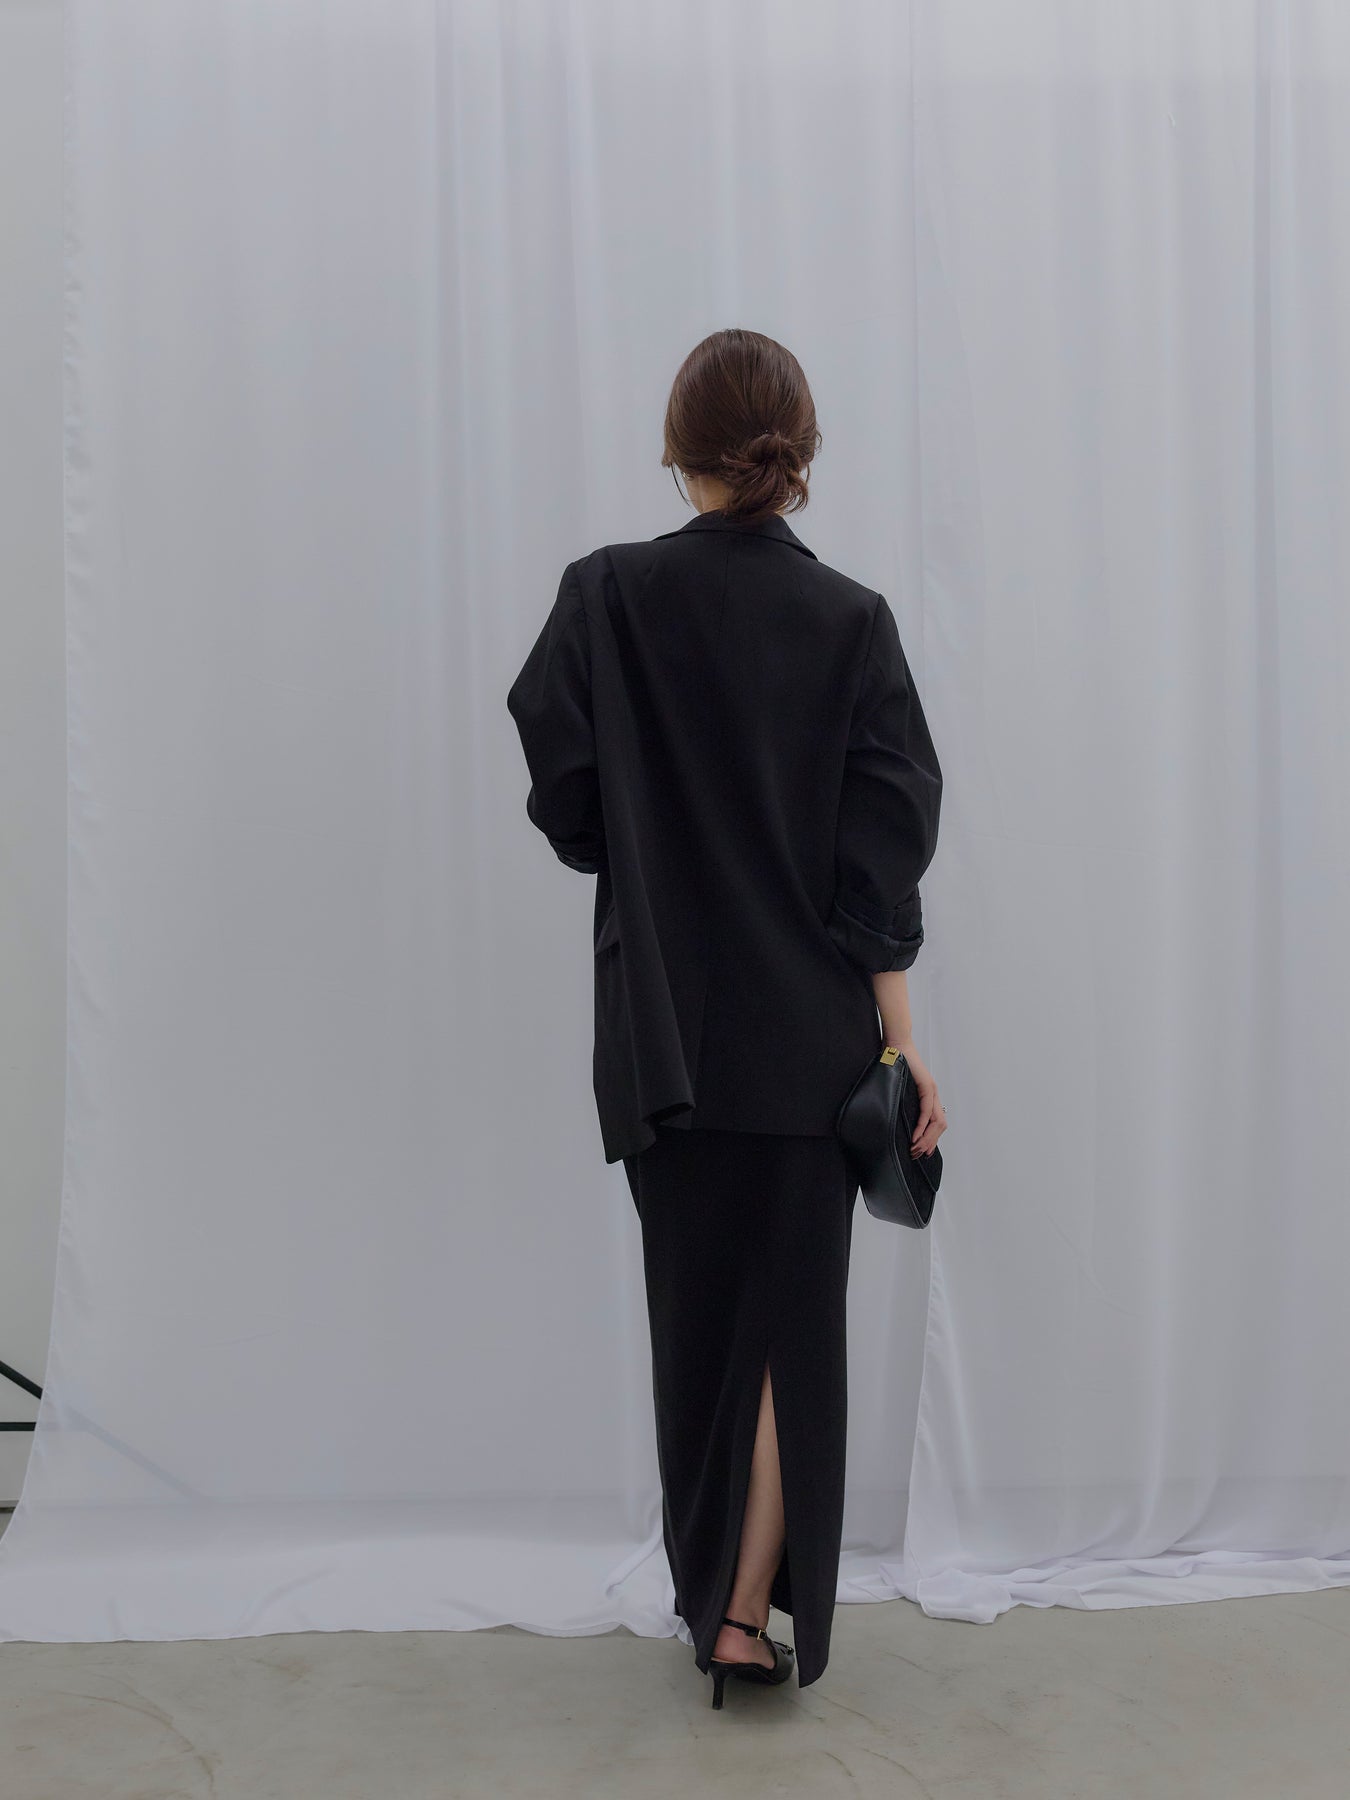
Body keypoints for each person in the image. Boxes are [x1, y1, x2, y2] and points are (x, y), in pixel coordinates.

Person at [506, 327, 945, 1708]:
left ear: (676, 442)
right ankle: (742, 1617)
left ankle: (729, 1614)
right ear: (797, 448)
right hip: (813, 1043)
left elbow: (566, 798)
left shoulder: (607, 595)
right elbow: (879, 864)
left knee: (702, 1335)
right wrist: (900, 1046)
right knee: (787, 1340)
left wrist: (639, 845)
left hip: (668, 1037)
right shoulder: (851, 620)